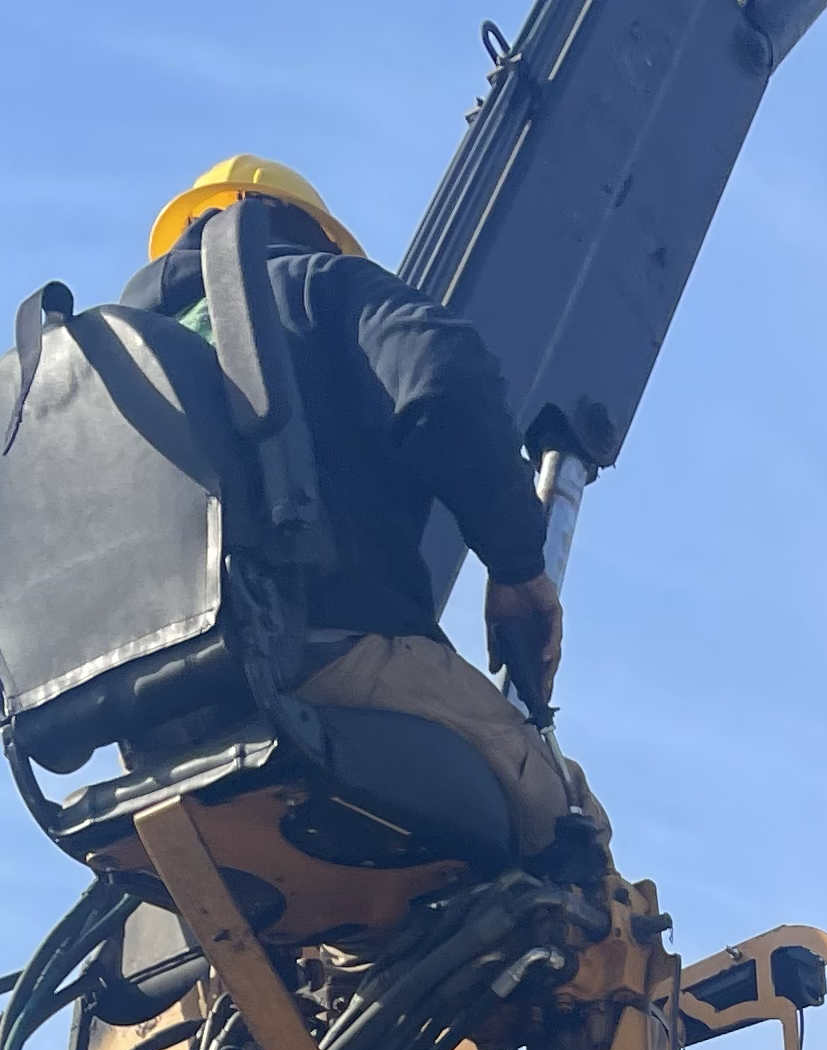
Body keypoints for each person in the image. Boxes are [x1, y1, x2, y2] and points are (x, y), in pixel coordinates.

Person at [123, 156, 597, 861]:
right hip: (324, 659)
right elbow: (445, 385)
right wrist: (518, 564)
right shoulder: (318, 285)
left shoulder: (108, 372)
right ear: (311, 233)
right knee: (571, 838)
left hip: (154, 735)